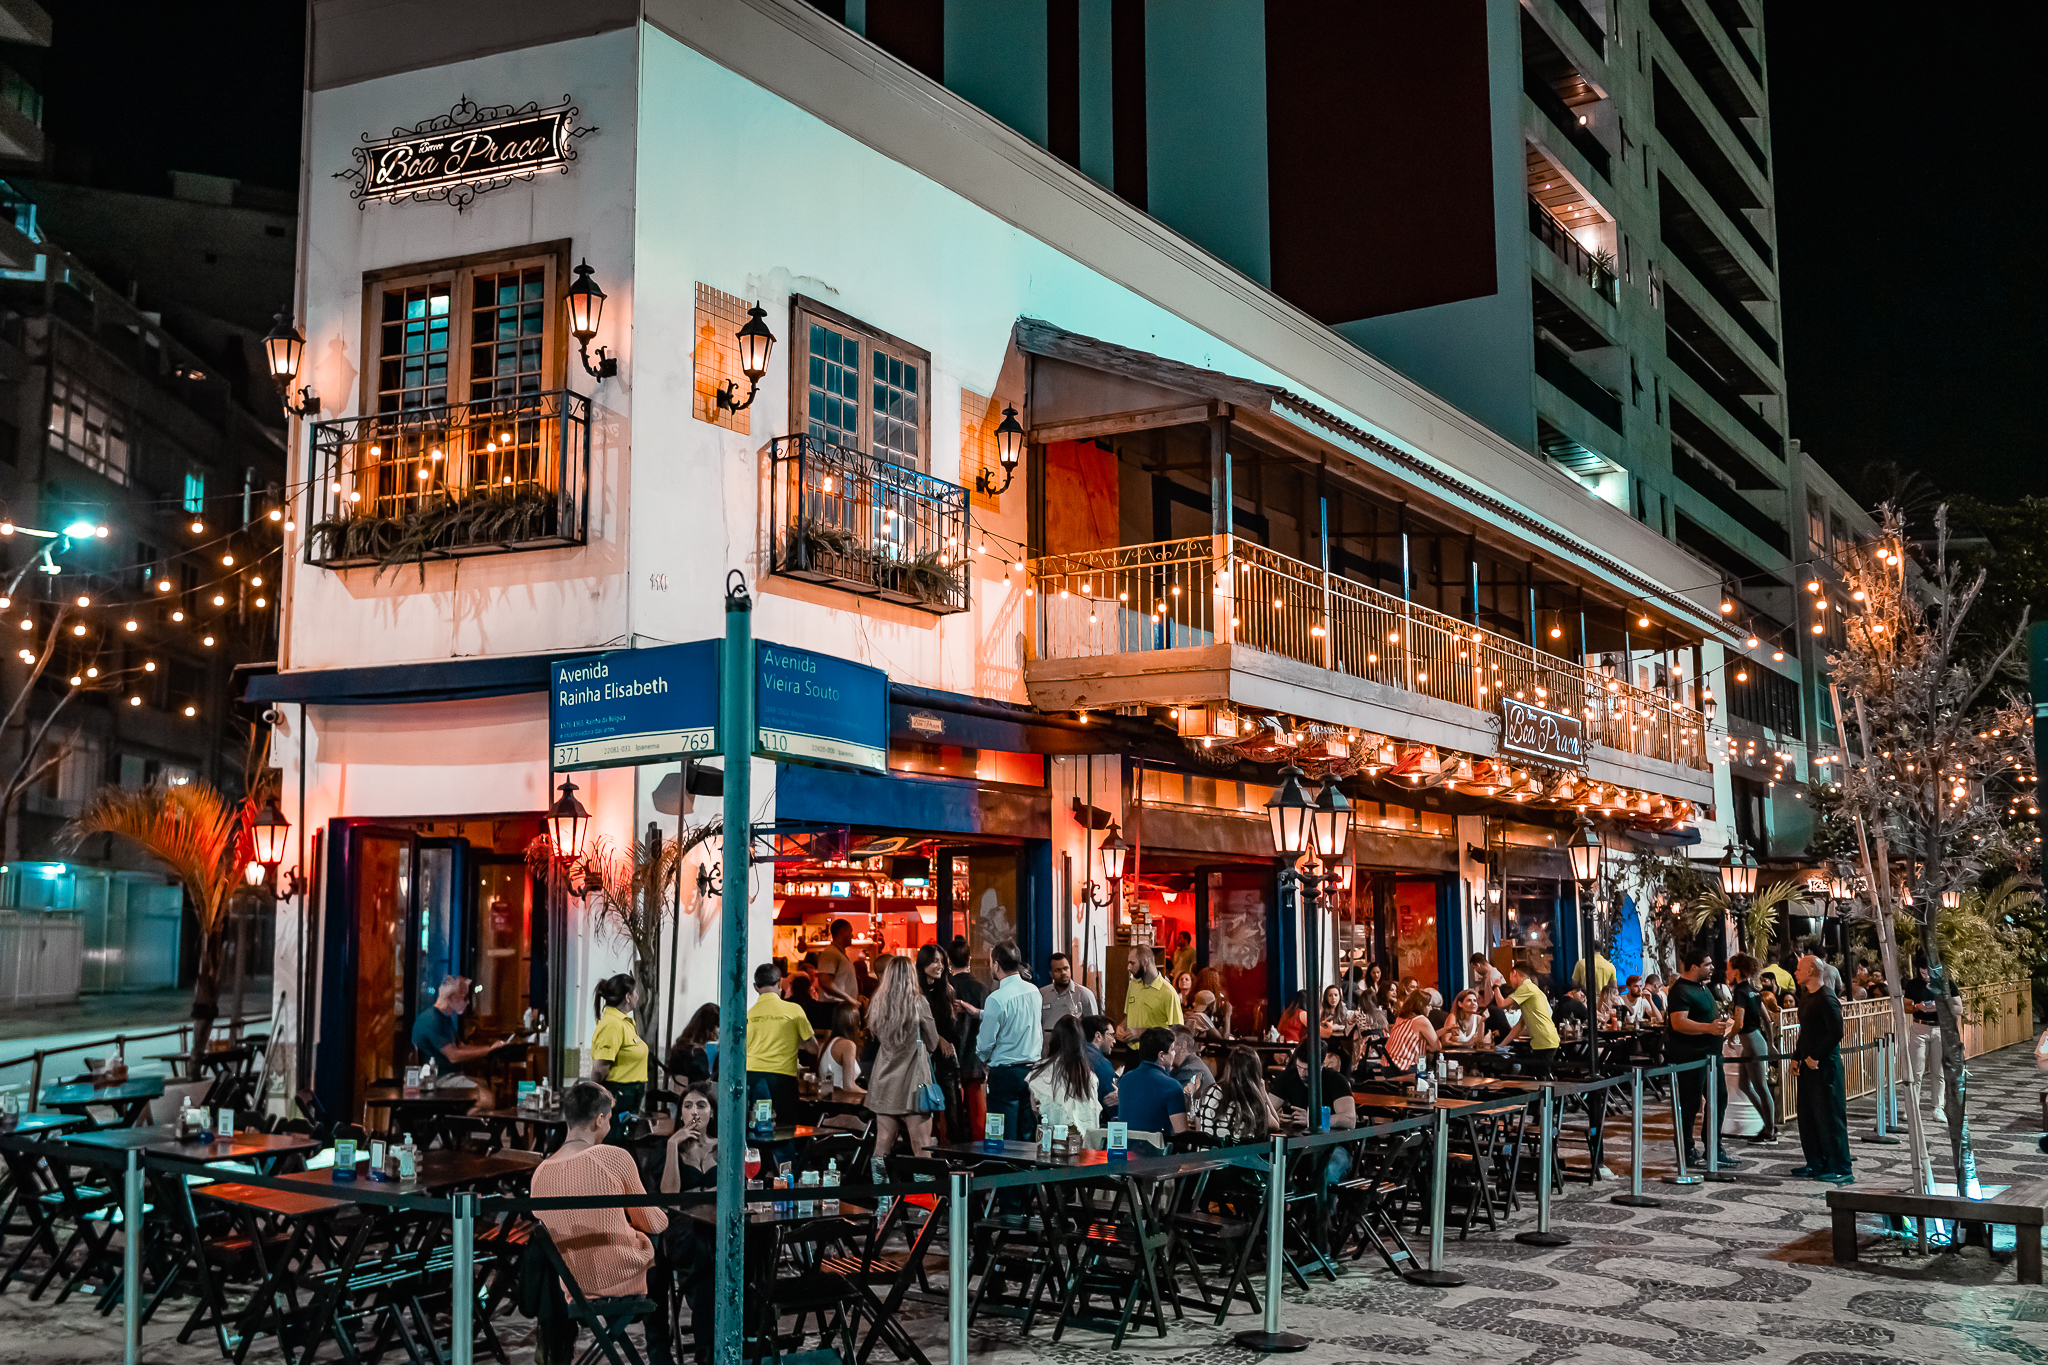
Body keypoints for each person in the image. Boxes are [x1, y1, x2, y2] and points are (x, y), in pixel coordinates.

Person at [531, 1081, 668, 1306]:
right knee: (661, 1245)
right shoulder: (613, 1158)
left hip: (573, 1286)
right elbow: (653, 1223)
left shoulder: (540, 1173)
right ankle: (658, 1340)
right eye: (609, 1118)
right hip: (623, 1276)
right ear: (599, 1119)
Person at [1666, 945, 1739, 1168]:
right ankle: (1687, 1148)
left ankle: (1714, 1147)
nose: (1712, 968)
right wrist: (1708, 1028)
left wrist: (1723, 1027)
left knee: (1718, 1098)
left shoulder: (1704, 987)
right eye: (1707, 964)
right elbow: (1678, 1022)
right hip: (1691, 1057)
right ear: (1694, 966)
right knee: (1690, 1104)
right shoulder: (1681, 990)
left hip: (1712, 1056)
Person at [867, 956, 942, 1158]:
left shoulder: (877, 1002)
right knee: (921, 1146)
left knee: (881, 1146)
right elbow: (934, 1041)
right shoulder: (919, 1003)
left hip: (884, 1081)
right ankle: (923, 1189)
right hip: (914, 1084)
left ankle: (881, 1189)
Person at [1791, 953, 1852, 1183]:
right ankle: (1815, 1162)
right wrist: (1797, 1057)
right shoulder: (1806, 996)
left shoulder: (1827, 998)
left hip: (1825, 1066)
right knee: (1808, 1116)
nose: (1795, 973)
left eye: (1799, 969)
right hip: (1807, 1065)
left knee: (1830, 1116)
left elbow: (1836, 1032)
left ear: (1810, 972)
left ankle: (1840, 1166)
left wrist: (1815, 1055)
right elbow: (1805, 1030)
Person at [977, 942, 1043, 1141]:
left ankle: (1001, 1171)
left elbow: (985, 1043)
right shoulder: (1034, 992)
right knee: (1027, 1131)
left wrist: (983, 1059)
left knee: (1001, 1136)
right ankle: (1024, 1172)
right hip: (1032, 1070)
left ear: (996, 965)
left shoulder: (996, 998)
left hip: (1004, 1073)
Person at [410, 975, 499, 1111]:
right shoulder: (433, 1020)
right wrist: (489, 1050)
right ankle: (453, 1125)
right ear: (451, 997)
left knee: (488, 1086)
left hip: (448, 1076)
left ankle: (455, 1125)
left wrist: (490, 1048)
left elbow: (461, 1047)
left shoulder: (445, 1019)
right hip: (438, 1080)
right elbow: (454, 1056)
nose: (468, 1002)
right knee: (487, 1099)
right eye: (464, 997)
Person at [744, 962, 813, 1119]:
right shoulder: (794, 1010)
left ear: (756, 987)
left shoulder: (748, 1015)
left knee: (756, 1124)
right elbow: (813, 1047)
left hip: (752, 1077)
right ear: (780, 983)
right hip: (782, 1079)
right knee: (784, 1126)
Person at [1725, 954, 1778, 1144]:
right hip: (1757, 1041)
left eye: (1729, 968)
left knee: (1760, 1087)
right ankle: (1768, 1122)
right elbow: (1768, 1019)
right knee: (1744, 1085)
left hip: (1752, 1043)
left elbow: (1738, 1022)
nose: (1726, 972)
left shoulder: (1740, 991)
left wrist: (1730, 1036)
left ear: (1737, 971)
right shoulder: (1755, 990)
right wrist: (1770, 1043)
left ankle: (1770, 1131)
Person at [914, 944, 963, 1137]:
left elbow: (952, 1028)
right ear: (923, 962)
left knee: (953, 1111)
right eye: (934, 961)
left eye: (942, 962)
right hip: (922, 1059)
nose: (939, 966)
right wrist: (938, 1038)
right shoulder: (915, 993)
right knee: (922, 1111)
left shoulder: (947, 990)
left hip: (946, 1059)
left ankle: (958, 1155)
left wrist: (944, 1039)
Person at [589, 974, 651, 1120]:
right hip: (618, 1095)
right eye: (636, 992)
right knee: (615, 1141)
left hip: (630, 1095)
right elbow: (600, 1068)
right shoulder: (612, 1024)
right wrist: (593, 1100)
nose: (637, 996)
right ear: (628, 997)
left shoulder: (625, 1021)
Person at [1027, 1015, 1102, 1133]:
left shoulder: (1039, 1072)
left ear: (1054, 1040)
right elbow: (1093, 1119)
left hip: (1049, 1141)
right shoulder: (1090, 1077)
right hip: (1084, 1144)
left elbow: (1034, 1109)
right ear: (1080, 1043)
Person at [1191, 1046, 1280, 1143]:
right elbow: (1275, 1126)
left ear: (1228, 1066)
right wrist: (1263, 1093)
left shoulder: (1209, 1092)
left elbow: (1199, 1129)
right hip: (1239, 1157)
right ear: (1255, 1072)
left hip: (1207, 1156)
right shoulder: (1252, 1100)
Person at [947, 941, 988, 1137]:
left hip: (949, 1062)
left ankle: (951, 1159)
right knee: (978, 1121)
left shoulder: (943, 989)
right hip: (975, 1060)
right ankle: (979, 1158)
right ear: (969, 959)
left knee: (950, 1120)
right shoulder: (980, 989)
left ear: (948, 961)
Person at [1116, 1028, 1189, 1138]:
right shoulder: (1172, 1086)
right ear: (1161, 1056)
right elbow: (1181, 1133)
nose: (1175, 1053)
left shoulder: (1125, 1080)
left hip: (1126, 1150)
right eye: (1172, 1050)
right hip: (1157, 1152)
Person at [1500, 960, 1560, 1076]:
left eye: (1510, 976)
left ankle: (1555, 1094)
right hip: (1546, 1040)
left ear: (1514, 973)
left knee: (1541, 1078)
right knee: (1536, 1076)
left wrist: (1495, 986)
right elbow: (1519, 1025)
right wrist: (1502, 1045)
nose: (1509, 981)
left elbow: (1502, 1003)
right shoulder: (1531, 991)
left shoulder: (1525, 986)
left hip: (1544, 1041)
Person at [1121, 946, 1184, 1034]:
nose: (1128, 967)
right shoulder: (1133, 985)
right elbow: (1129, 1014)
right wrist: (1121, 1027)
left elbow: (1178, 1030)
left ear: (1145, 962)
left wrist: (1144, 1034)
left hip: (1155, 1047)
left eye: (1132, 963)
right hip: (1131, 1046)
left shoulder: (1168, 993)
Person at [1039, 951, 1099, 1034]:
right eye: (1058, 970)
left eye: (1066, 968)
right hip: (1048, 1044)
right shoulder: (1042, 994)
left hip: (1075, 1044)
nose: (1063, 973)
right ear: (1050, 973)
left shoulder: (1084, 994)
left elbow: (1094, 1026)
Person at [818, 1003, 866, 1103]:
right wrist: (871, 1094)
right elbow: (848, 1087)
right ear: (854, 1022)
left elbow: (825, 1086)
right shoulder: (848, 1045)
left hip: (826, 1104)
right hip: (842, 1108)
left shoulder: (824, 1045)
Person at [1383, 990, 1441, 1069]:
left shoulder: (1400, 1018)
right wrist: (1427, 1047)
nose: (1431, 1009)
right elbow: (1437, 1047)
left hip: (1387, 1065)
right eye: (1429, 1005)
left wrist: (1445, 1029)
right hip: (1404, 1067)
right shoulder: (1421, 1020)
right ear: (1421, 1005)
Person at [814, 918, 862, 1004]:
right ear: (842, 932)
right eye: (850, 931)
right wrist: (848, 998)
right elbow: (825, 981)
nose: (852, 935)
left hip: (841, 1007)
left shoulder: (838, 953)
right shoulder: (830, 953)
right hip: (833, 1009)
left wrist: (855, 997)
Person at [1082, 1014, 1120, 1118]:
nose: (1114, 1040)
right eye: (1111, 1035)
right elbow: (1110, 1103)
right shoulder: (1102, 1064)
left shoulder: (1071, 1056)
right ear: (1098, 1036)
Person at [1166, 1024, 1215, 1094]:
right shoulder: (1181, 1065)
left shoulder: (1191, 1070)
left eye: (1169, 1043)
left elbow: (1171, 1098)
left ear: (1183, 1046)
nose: (1164, 1048)